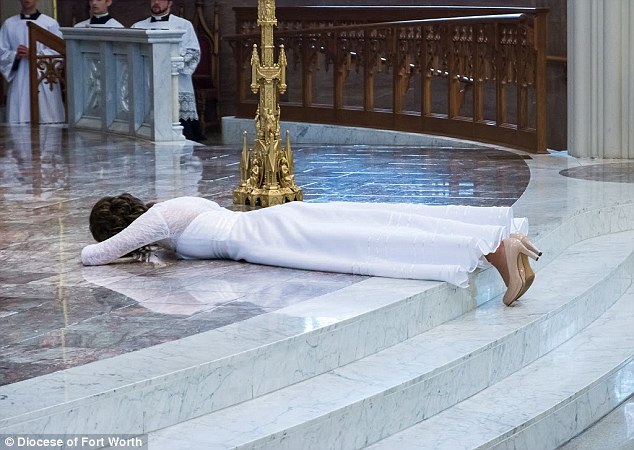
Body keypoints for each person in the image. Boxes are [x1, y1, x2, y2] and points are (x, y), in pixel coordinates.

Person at [81, 194, 541, 306]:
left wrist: (97, 245)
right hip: (269, 229)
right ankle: (502, 247)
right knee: (374, 227)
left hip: (266, 238)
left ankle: (498, 250)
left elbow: (96, 256)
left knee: (371, 240)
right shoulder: (177, 207)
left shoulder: (158, 218)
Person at [131, 0, 204, 141]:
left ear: (170, 3)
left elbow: (193, 52)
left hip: (176, 83)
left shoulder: (184, 25)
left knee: (182, 131)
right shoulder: (138, 27)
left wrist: (167, 61)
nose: (156, 2)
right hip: (147, 83)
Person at [0, 0, 65, 124]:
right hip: (20, 79)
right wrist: (15, 55)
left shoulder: (50, 23)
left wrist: (34, 54)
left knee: (46, 118)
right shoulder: (9, 24)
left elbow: (58, 53)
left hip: (44, 79)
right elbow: (2, 52)